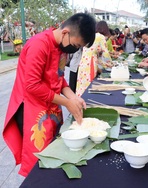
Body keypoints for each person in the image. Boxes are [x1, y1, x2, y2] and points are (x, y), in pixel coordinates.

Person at [3, 13, 96, 177]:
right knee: (38, 159)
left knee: (53, 152)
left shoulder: (61, 47)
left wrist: (72, 97)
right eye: (76, 45)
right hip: (32, 108)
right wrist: (67, 103)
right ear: (66, 32)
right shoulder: (39, 44)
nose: (75, 49)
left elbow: (59, 78)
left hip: (50, 105)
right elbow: (32, 85)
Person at [76, 20, 112, 96]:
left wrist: (105, 64)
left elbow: (95, 53)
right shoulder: (100, 37)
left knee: (82, 86)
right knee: (90, 86)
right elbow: (106, 53)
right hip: (90, 64)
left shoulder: (91, 35)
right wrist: (111, 64)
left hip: (83, 63)